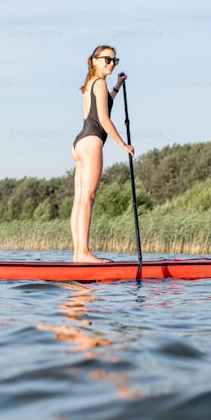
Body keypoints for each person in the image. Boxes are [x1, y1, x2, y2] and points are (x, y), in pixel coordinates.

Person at [70, 45, 134, 263]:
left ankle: (78, 253)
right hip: (92, 142)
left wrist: (117, 86)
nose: (111, 64)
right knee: (88, 198)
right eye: (107, 59)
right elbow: (104, 120)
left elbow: (102, 106)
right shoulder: (100, 82)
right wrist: (123, 144)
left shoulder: (91, 83)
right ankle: (84, 253)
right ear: (95, 60)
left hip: (79, 143)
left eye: (114, 61)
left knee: (80, 200)